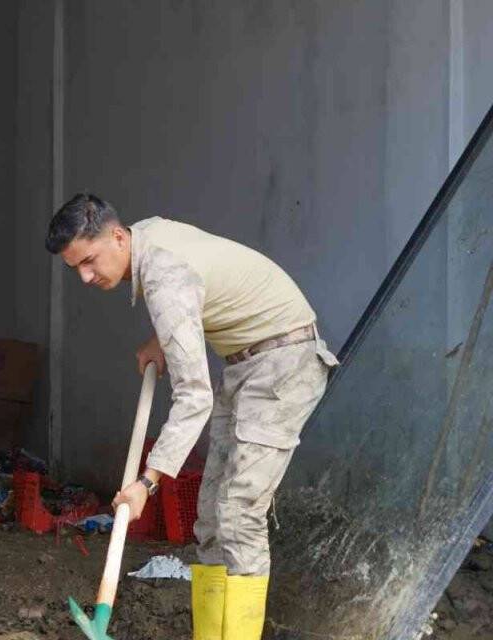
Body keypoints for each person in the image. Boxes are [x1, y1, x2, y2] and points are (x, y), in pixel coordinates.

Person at [44, 193, 338, 640]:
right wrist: (162, 341)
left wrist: (148, 482)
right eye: (75, 269)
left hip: (284, 363)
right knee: (210, 518)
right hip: (246, 362)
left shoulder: (163, 278)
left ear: (118, 237)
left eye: (89, 261)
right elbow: (200, 286)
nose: (85, 276)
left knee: (239, 513)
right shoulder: (149, 235)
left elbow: (194, 396)